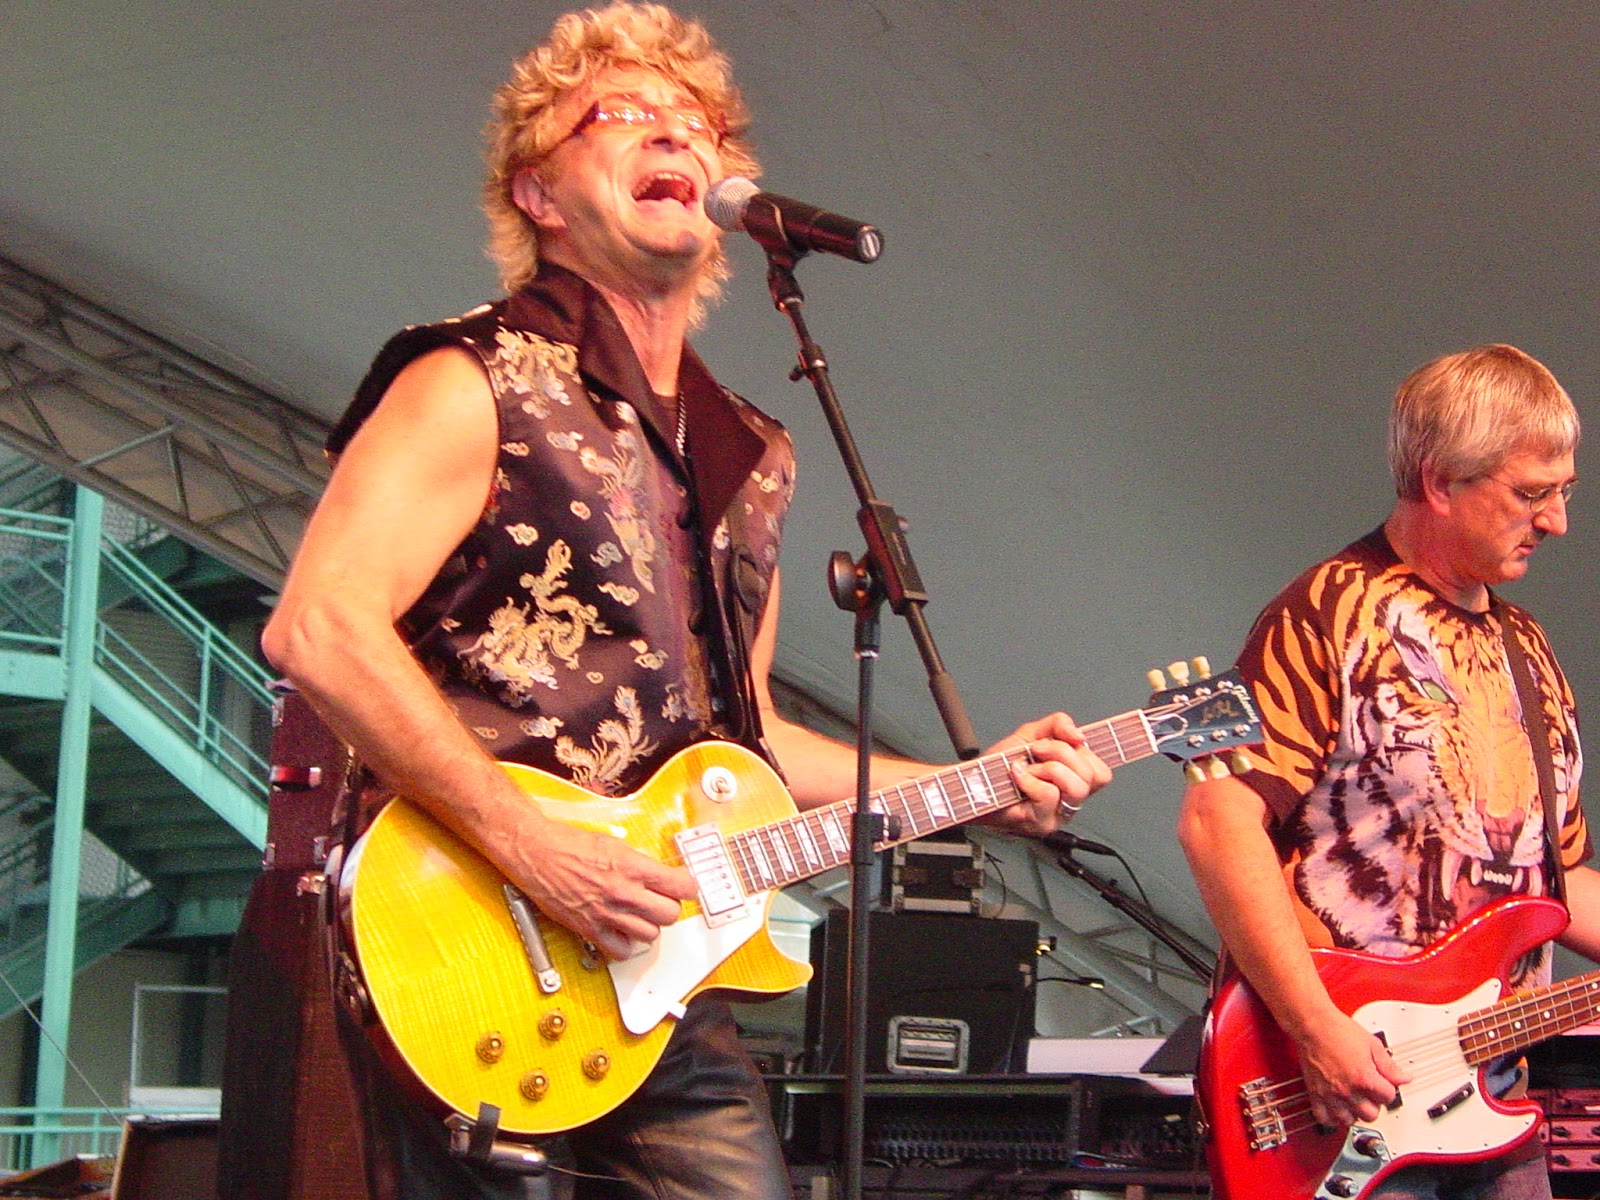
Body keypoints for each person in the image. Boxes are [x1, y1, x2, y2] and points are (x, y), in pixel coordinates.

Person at [249, 4, 1112, 1198]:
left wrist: (972, 789)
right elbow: (320, 627)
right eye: (619, 115)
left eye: (697, 122)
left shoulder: (752, 452)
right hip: (463, 936)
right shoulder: (470, 378)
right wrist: (533, 847)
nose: (673, 134)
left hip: (658, 967)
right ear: (539, 195)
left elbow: (747, 743)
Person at [1178, 343, 1600, 1200]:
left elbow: (1559, 878)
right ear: (1440, 482)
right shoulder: (1325, 612)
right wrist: (1315, 1027)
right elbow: (1216, 825)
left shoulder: (1528, 649)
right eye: (1530, 493)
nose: (1556, 521)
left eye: (1565, 491)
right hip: (1343, 1099)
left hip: (1491, 1096)